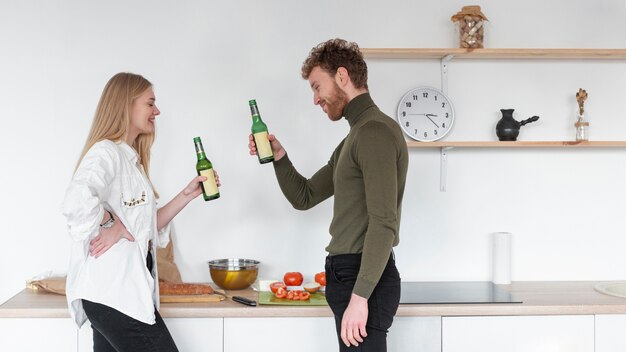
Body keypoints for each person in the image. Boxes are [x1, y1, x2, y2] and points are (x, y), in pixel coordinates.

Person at [248, 39, 408, 351]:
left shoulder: (374, 132)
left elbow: (383, 222)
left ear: (342, 77)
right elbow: (304, 196)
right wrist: (279, 157)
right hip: (348, 274)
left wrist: (360, 297)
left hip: (364, 277)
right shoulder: (356, 136)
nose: (315, 99)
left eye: (316, 87)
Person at [62, 72, 214, 352]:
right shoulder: (106, 153)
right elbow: (76, 201)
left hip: (115, 296)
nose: (157, 111)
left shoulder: (131, 161)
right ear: (126, 105)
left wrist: (186, 195)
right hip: (115, 295)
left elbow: (143, 228)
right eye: (150, 103)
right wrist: (110, 223)